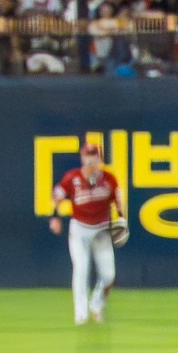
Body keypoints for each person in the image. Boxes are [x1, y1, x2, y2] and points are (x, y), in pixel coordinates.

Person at [49, 138, 124, 326]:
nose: (90, 162)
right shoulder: (72, 178)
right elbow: (57, 196)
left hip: (102, 230)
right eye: (87, 157)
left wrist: (122, 218)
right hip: (80, 230)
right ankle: (81, 314)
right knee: (81, 269)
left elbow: (118, 199)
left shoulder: (109, 179)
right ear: (82, 158)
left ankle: (96, 305)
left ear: (100, 159)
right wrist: (55, 217)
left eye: (94, 157)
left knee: (109, 276)